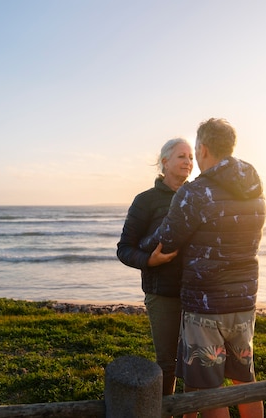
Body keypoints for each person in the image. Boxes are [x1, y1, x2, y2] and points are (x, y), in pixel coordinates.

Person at [141, 118, 266, 418]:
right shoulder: (253, 185)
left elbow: (167, 240)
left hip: (206, 305)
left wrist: (143, 245)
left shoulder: (195, 192)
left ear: (203, 149)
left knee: (209, 389)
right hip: (244, 301)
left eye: (195, 150)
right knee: (244, 378)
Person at [116, 137, 194, 396]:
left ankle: (188, 413)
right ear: (165, 162)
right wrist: (150, 261)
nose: (188, 162)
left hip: (199, 294)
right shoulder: (145, 200)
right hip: (162, 294)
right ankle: (165, 412)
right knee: (167, 364)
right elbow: (125, 248)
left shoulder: (197, 197)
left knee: (196, 364)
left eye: (192, 157)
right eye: (182, 156)